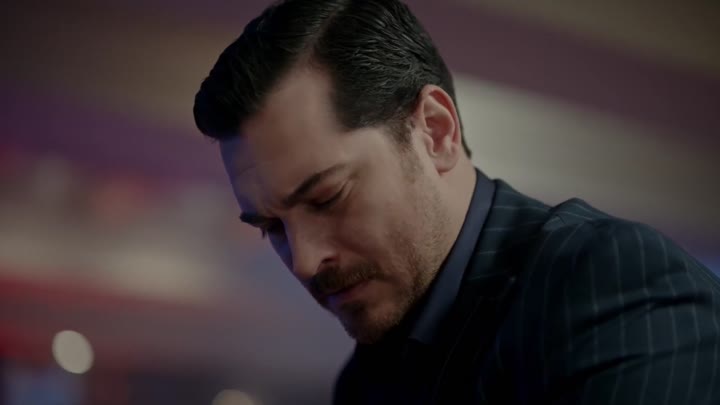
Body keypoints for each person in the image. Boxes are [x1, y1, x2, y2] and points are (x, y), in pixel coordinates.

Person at [192, 0, 720, 403]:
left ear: (436, 131)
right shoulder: (362, 382)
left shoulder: (609, 281)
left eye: (328, 197)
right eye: (273, 227)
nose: (304, 261)